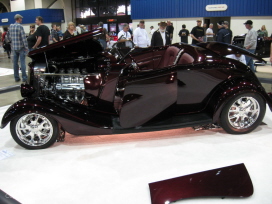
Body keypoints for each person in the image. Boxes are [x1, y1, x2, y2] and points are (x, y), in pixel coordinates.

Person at [8, 14, 28, 82]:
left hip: (14, 47)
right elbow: (23, 38)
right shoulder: (20, 26)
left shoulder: (11, 26)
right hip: (21, 47)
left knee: (15, 63)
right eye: (21, 18)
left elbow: (9, 37)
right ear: (18, 19)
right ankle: (24, 77)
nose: (21, 20)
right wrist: (26, 47)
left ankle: (16, 77)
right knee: (22, 62)